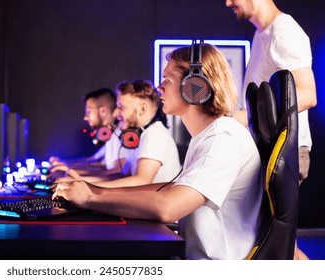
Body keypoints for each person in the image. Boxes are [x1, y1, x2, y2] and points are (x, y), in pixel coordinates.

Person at [52, 43, 263, 259]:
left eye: (167, 79)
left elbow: (168, 207)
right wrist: (94, 190)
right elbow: (171, 189)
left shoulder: (223, 138)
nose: (160, 87)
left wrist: (89, 200)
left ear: (195, 87)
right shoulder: (207, 137)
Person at [225, 0, 317, 260]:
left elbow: (308, 94)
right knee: (280, 247)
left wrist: (242, 117)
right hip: (267, 151)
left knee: (280, 248)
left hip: (283, 153)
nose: (228, 2)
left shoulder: (285, 32)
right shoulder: (262, 33)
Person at [49, 87, 130, 182]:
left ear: (103, 111)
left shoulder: (120, 135)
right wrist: (67, 166)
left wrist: (77, 176)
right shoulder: (112, 134)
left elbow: (117, 173)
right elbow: (96, 163)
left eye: (88, 111)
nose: (85, 117)